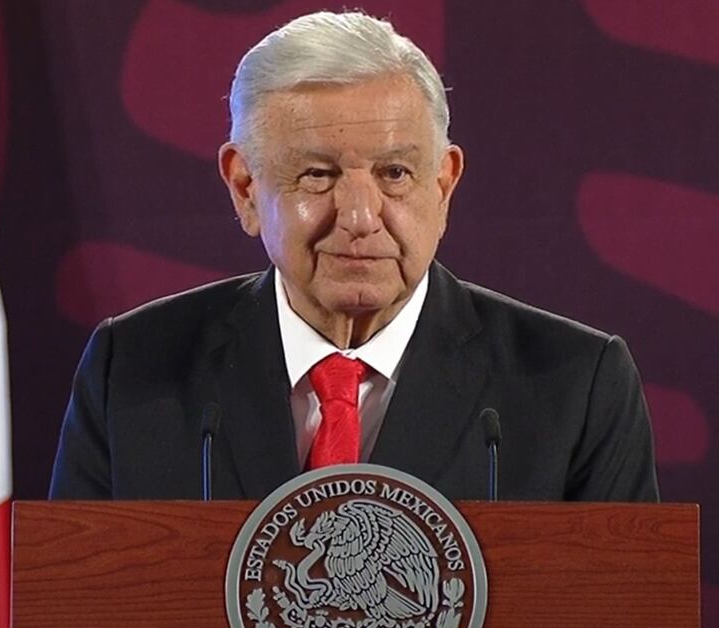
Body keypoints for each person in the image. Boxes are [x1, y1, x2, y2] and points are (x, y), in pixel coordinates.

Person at [49, 11, 659, 502]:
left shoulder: (576, 386)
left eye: (395, 173)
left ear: (442, 185)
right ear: (245, 189)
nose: (361, 218)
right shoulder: (131, 371)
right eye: (317, 175)